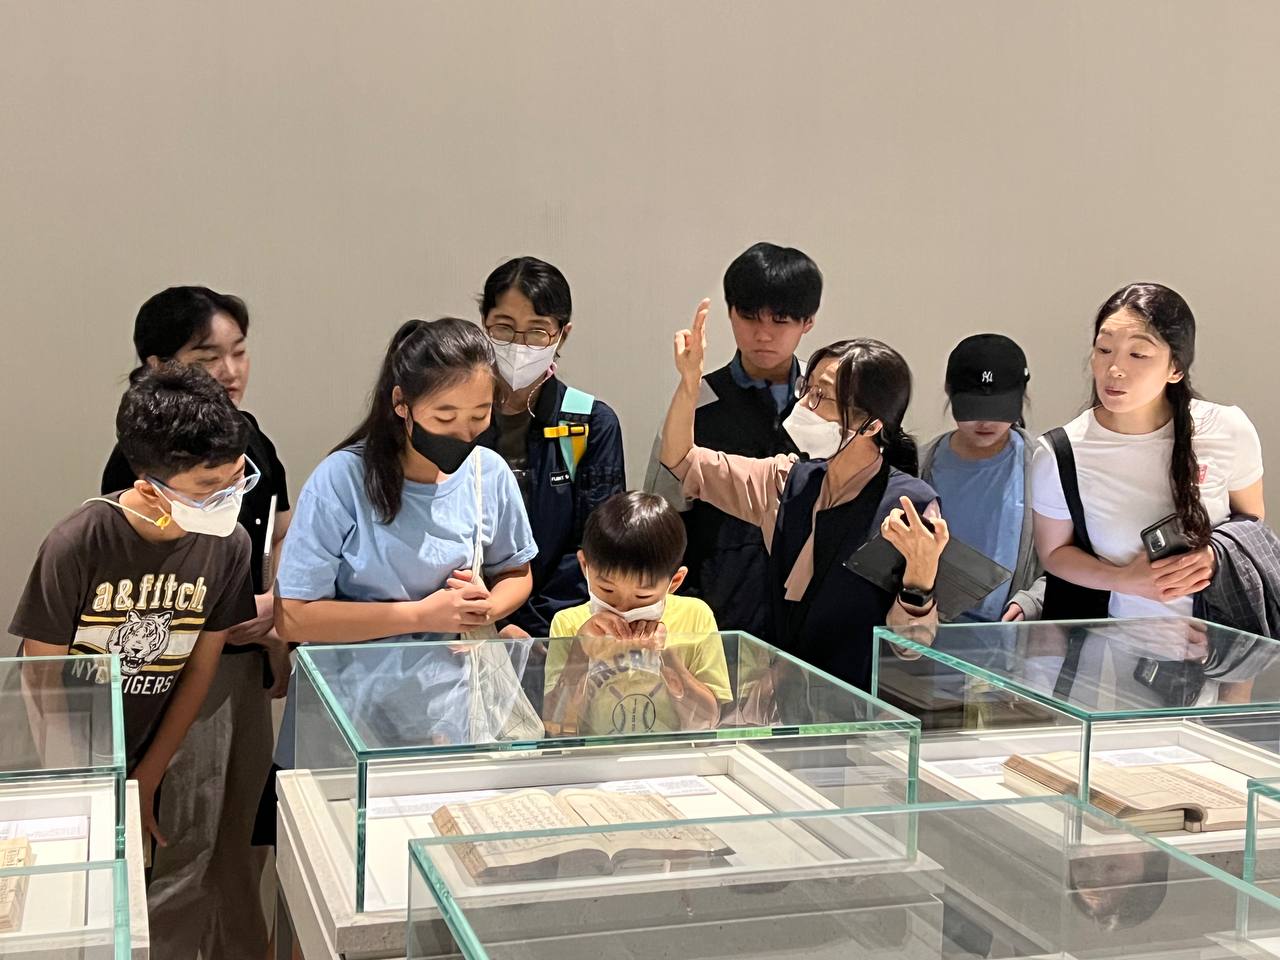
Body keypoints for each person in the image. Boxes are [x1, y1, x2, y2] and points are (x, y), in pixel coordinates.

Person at [99, 285, 289, 958]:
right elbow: (134, 596)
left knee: (244, 846)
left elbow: (277, 538)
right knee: (183, 851)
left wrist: (275, 624)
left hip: (244, 670)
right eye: (208, 357)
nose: (231, 371)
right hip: (177, 680)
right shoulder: (138, 464)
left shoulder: (251, 437)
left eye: (240, 352)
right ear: (157, 365)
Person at [10, 367, 255, 885]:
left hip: (142, 754)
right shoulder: (78, 544)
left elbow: (199, 669)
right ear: (149, 489)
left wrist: (147, 777)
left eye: (237, 478)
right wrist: (78, 786)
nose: (228, 498)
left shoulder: (229, 547)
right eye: (208, 487)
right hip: (58, 761)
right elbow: (40, 679)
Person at [273, 317, 537, 760]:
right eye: (445, 416)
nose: (464, 433)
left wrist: (485, 608)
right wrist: (420, 615)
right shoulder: (341, 479)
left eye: (479, 415)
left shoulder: (488, 473)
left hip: (451, 719)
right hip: (344, 719)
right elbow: (293, 618)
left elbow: (517, 572)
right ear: (402, 403)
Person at [657, 299, 947, 690]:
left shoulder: (908, 507)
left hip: (861, 704)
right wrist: (690, 382)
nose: (805, 406)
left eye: (822, 397)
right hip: (784, 695)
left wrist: (921, 578)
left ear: (871, 425)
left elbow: (910, 648)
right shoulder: (787, 479)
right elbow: (681, 459)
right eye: (806, 389)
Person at [1032, 282, 1265, 621]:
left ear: (1176, 368)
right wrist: (1123, 580)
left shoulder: (1228, 428)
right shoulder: (1060, 453)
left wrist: (1213, 556)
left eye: (1138, 354)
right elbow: (1054, 553)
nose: (1114, 369)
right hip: (1122, 641)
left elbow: (1252, 528)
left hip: (1223, 637)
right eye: (1104, 349)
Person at [645, 242, 822, 641]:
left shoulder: (829, 405)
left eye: (781, 319)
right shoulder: (695, 403)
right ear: (730, 313)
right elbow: (661, 521)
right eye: (748, 316)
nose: (763, 334)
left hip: (810, 622)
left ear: (808, 322)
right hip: (713, 619)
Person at [473, 257, 625, 641]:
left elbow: (596, 545)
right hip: (469, 622)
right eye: (504, 327)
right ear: (484, 324)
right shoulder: (458, 418)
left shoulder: (590, 423)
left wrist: (537, 627)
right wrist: (491, 619)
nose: (518, 344)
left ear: (562, 335)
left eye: (537, 331)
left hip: (562, 631)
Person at [543, 491, 731, 735]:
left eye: (643, 597)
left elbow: (710, 719)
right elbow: (554, 723)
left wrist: (669, 659)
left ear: (674, 582)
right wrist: (580, 651)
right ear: (585, 567)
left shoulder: (695, 616)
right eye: (607, 590)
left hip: (672, 754)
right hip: (596, 756)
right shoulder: (569, 623)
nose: (622, 609)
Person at [919, 334, 1044, 622]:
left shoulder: (1043, 465)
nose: (985, 422)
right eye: (972, 409)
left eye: (998, 409)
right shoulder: (920, 465)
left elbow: (1067, 557)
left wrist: (1032, 600)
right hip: (929, 634)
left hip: (1009, 637)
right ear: (950, 393)